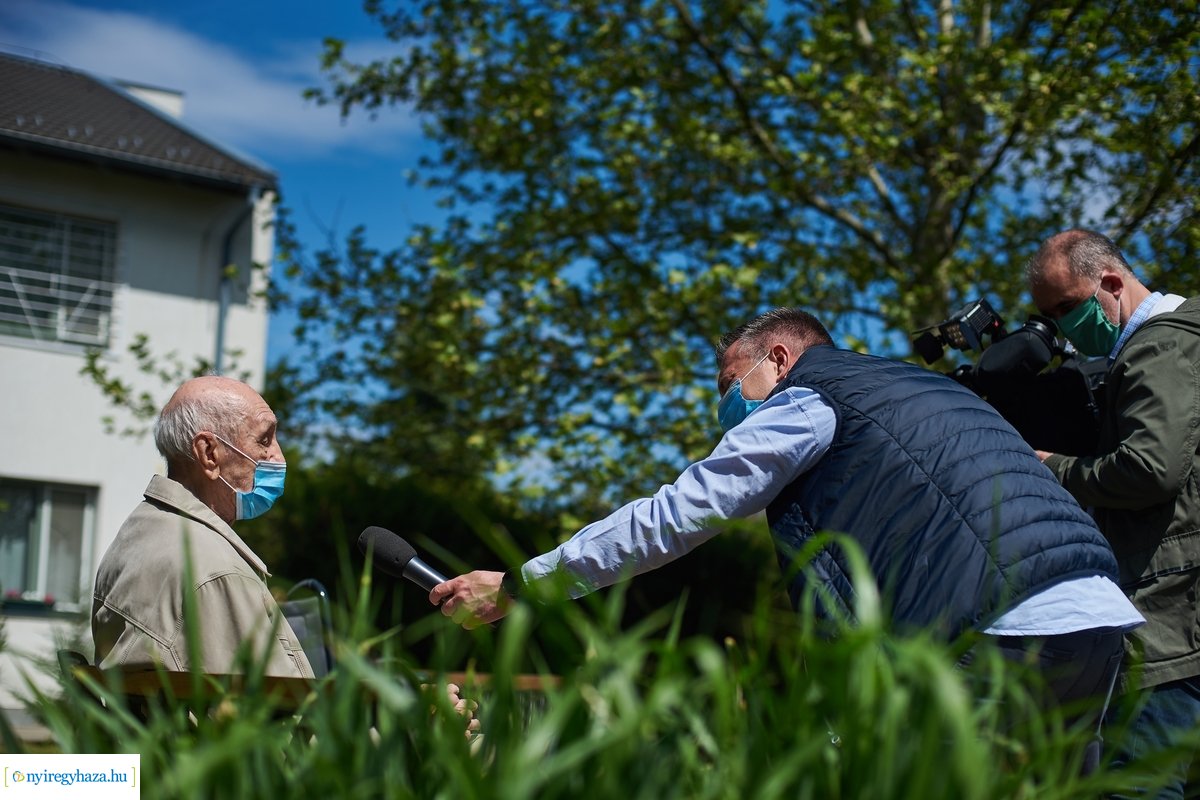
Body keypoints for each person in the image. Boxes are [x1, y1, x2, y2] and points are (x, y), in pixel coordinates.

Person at [432, 307, 1143, 729]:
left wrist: (526, 585)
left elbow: (678, 514)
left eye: (730, 386)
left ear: (778, 356)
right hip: (1097, 617)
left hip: (997, 627)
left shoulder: (813, 394)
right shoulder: (920, 388)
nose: (728, 407)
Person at [1025, 229, 1200, 797]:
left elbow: (1151, 469)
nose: (1063, 326)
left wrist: (1053, 467)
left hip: (1172, 615)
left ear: (1110, 281)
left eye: (1067, 307)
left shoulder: (1157, 346)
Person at [92, 375, 314, 678]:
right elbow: (279, 712)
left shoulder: (135, 536)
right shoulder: (216, 571)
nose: (278, 456)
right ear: (209, 454)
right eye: (264, 439)